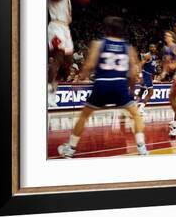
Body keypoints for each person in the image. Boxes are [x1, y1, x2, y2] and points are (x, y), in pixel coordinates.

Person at [57, 16, 148, 157]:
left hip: (102, 84)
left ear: (106, 29)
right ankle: (142, 148)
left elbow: (89, 65)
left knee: (84, 116)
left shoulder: (98, 44)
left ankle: (70, 149)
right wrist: (131, 88)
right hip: (120, 85)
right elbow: (134, 71)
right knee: (136, 115)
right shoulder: (128, 47)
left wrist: (79, 80)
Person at [47, 0, 74, 107]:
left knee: (67, 64)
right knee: (57, 58)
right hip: (56, 27)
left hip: (65, 28)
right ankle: (47, 90)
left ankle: (53, 92)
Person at [136, 44, 158, 114]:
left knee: (141, 92)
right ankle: (141, 108)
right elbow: (140, 64)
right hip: (146, 75)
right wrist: (139, 75)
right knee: (151, 92)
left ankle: (136, 107)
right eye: (151, 47)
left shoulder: (154, 57)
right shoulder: (147, 55)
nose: (153, 48)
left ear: (156, 48)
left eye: (154, 47)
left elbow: (152, 67)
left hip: (149, 75)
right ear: (149, 48)